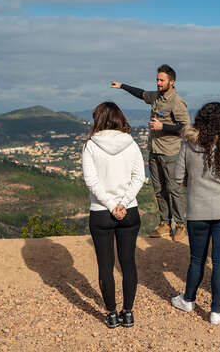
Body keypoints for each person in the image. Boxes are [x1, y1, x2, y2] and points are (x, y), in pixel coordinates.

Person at [170, 102, 220, 325]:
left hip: (197, 211)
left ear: (200, 120)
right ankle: (216, 310)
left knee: (196, 259)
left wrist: (194, 185)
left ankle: (188, 299)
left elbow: (177, 178)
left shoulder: (188, 145)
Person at [81, 102, 145, 328]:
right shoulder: (131, 143)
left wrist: (109, 205)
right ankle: (128, 313)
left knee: (105, 266)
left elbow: (91, 181)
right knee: (128, 264)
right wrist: (123, 203)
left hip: (101, 213)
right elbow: (139, 177)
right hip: (129, 212)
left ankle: (110, 314)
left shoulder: (91, 145)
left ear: (98, 119)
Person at [110, 64, 189, 241]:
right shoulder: (157, 97)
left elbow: (185, 127)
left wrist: (164, 126)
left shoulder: (177, 102)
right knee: (159, 189)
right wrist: (122, 86)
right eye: (157, 80)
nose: (158, 83)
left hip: (170, 153)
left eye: (162, 80)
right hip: (154, 150)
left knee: (174, 190)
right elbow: (141, 94)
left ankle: (181, 225)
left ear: (172, 81)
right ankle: (165, 223)